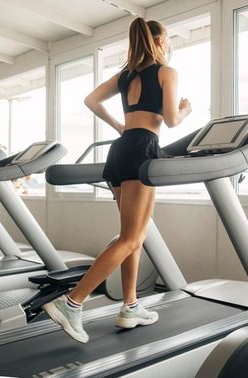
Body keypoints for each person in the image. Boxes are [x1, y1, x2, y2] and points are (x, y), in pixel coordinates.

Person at [42, 17, 192, 343]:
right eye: (167, 39)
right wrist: (185, 110)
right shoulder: (167, 72)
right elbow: (170, 119)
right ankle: (72, 302)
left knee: (132, 237)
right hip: (144, 149)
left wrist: (119, 127)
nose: (169, 45)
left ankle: (130, 306)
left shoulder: (125, 75)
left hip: (120, 149)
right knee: (131, 238)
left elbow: (91, 100)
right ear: (159, 41)